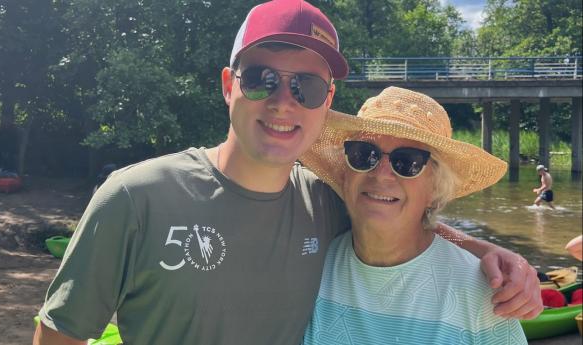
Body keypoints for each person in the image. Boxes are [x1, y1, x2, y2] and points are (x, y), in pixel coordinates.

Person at [33, 1, 541, 344]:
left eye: (306, 87)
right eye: (262, 79)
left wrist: (491, 253)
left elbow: (404, 218)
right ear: (230, 84)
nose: (283, 101)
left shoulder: (326, 204)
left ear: (327, 101)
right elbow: (58, 335)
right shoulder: (134, 197)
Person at [301, 87, 527, 344]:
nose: (381, 173)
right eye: (363, 155)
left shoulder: (482, 295)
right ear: (345, 172)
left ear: (435, 188)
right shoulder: (311, 264)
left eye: (407, 161)